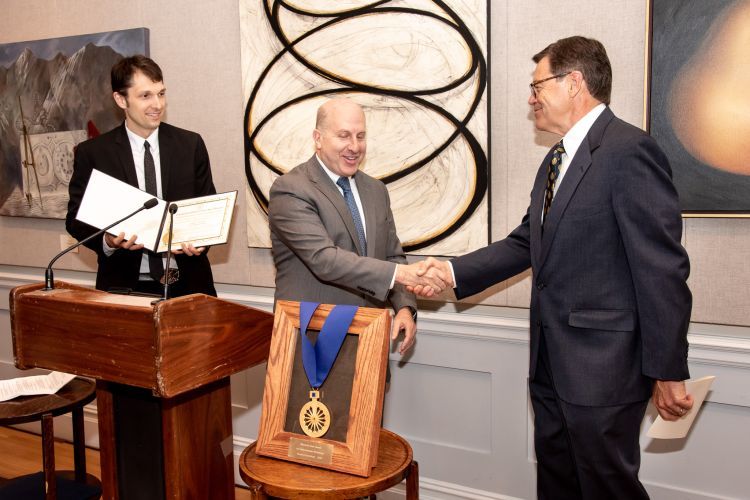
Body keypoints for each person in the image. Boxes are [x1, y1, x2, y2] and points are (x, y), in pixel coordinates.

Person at [413, 37, 693, 499]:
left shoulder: (629, 152)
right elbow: (526, 242)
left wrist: (667, 369)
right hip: (550, 363)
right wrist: (451, 271)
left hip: (604, 372)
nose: (531, 97)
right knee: (559, 484)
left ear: (574, 82)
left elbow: (661, 268)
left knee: (608, 488)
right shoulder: (555, 160)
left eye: (537, 85)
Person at [268, 97, 445, 354]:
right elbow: (324, 259)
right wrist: (401, 275)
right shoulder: (291, 189)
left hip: (369, 338)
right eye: (344, 135)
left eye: (360, 136)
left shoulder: (376, 190)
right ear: (318, 138)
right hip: (312, 342)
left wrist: (405, 307)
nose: (354, 146)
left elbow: (392, 255)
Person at [66, 55, 217, 297]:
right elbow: (76, 220)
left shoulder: (190, 145)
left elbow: (207, 209)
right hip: (123, 288)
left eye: (161, 93)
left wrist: (201, 241)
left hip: (189, 286)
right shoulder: (94, 153)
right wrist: (107, 240)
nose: (157, 104)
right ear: (120, 99)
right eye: (145, 96)